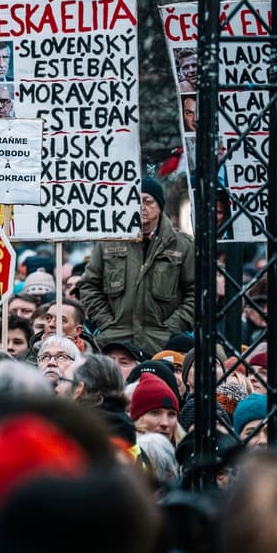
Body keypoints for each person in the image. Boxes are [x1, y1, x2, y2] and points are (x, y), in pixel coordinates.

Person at [79, 177, 194, 355]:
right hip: (115, 342)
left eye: (148, 202)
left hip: (162, 344)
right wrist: (106, 322)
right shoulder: (110, 241)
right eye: (135, 201)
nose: (142, 207)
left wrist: (173, 327)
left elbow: (196, 292)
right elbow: (88, 285)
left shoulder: (182, 245)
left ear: (160, 206)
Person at [129, 373, 180, 444]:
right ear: (137, 419)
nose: (165, 423)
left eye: (171, 414)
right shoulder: (118, 453)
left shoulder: (188, 453)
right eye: (155, 413)